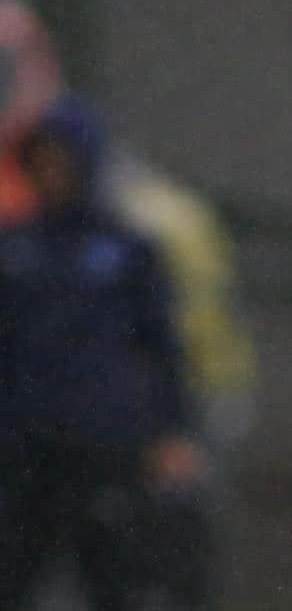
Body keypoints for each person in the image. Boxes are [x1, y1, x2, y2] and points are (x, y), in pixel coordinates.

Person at [0, 98, 206, 610]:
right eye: (41, 161)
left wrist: (174, 430)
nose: (52, 174)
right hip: (26, 446)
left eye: (61, 160)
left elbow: (162, 347)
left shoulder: (127, 249)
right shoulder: (15, 247)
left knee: (115, 578)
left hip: (106, 445)